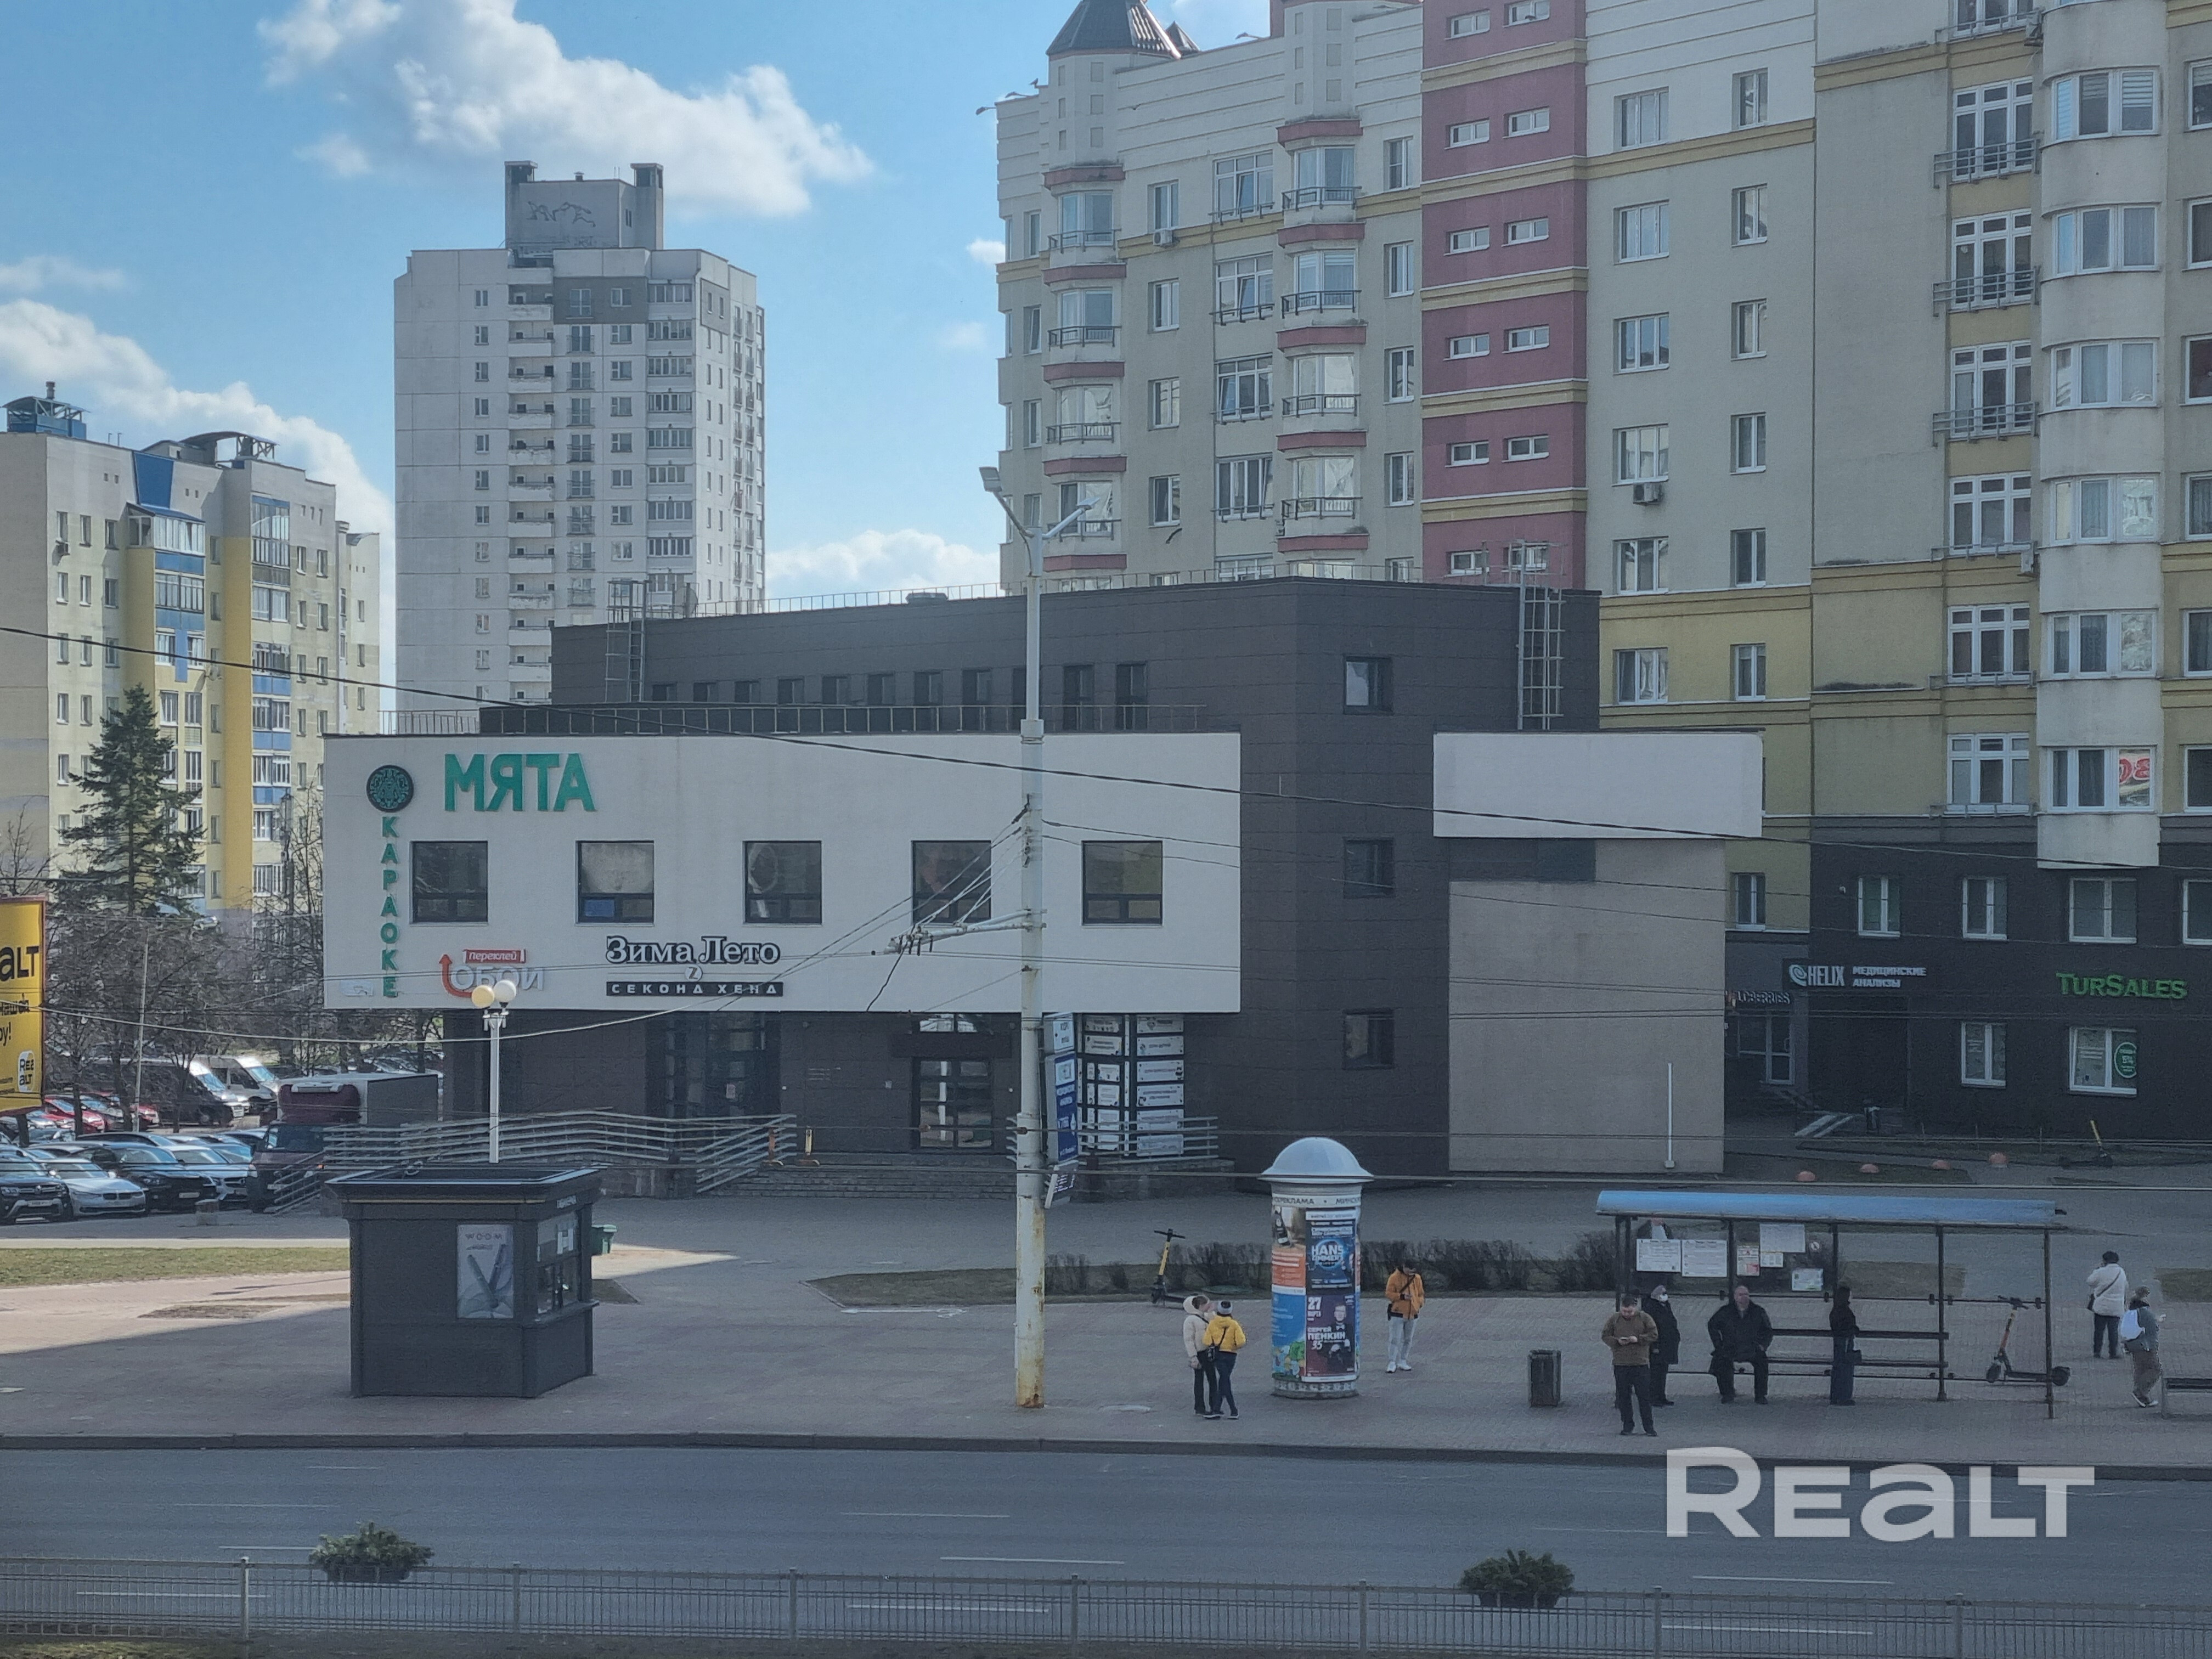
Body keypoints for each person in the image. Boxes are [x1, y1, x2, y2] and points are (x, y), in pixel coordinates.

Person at [1601, 1291, 1660, 1436]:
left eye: (1630, 1312)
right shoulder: (1614, 1319)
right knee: (1624, 1397)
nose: (1627, 1314)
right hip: (1621, 1364)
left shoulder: (1645, 1318)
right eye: (1625, 1311)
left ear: (1636, 1308)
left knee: (1644, 1397)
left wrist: (1639, 1339)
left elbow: (1654, 1334)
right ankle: (1628, 1425)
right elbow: (1605, 1336)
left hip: (1640, 1364)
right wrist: (1616, 1342)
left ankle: (1649, 1427)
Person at [1707, 1283, 1774, 1403]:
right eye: (1741, 1295)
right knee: (1721, 1360)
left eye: (1746, 1294)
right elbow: (1712, 1325)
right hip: (1730, 1347)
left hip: (1752, 1347)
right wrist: (1719, 1345)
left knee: (1762, 1362)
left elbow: (1768, 1331)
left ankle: (1761, 1395)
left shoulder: (1758, 1311)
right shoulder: (1726, 1311)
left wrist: (1763, 1346)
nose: (1744, 1297)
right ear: (1735, 1297)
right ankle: (1727, 1394)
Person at [1202, 1299, 1248, 1419]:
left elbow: (1206, 1341)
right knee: (1225, 1380)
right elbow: (1241, 1342)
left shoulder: (1213, 1324)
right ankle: (1226, 1410)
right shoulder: (1234, 1324)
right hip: (1231, 1355)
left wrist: (1215, 1343)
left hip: (1219, 1355)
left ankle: (1225, 1410)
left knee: (1224, 1380)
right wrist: (1233, 1346)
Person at [2123, 1288, 2162, 1407]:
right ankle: (2140, 1391)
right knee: (2155, 1369)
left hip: (2134, 1345)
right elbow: (2152, 1329)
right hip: (2145, 1346)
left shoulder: (2133, 1311)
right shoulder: (2145, 1313)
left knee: (2141, 1369)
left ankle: (2143, 1397)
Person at [1384, 1259, 1426, 1373]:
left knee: (1408, 1339)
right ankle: (1392, 1362)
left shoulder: (1417, 1278)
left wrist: (1419, 1303)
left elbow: (1421, 1294)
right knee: (1395, 1339)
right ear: (1404, 1267)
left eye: (1413, 1272)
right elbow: (1389, 1293)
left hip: (1413, 1313)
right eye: (1410, 1271)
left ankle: (1403, 1360)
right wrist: (1402, 1297)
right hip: (1397, 1313)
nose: (1411, 1274)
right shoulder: (1394, 1277)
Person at [1646, 1282, 1681, 1405]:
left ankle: (1661, 1396)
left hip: (1667, 1344)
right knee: (1656, 1372)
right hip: (1657, 1345)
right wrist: (1654, 1345)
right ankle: (1654, 1397)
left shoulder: (1666, 1306)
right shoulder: (1651, 1308)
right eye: (1662, 1294)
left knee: (1663, 1372)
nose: (1665, 1296)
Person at [2088, 1251, 2128, 1358]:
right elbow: (2126, 1287)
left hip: (2101, 1306)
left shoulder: (2101, 1272)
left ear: (2104, 1260)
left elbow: (2090, 1282)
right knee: (2113, 1331)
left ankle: (2097, 1352)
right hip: (2116, 1307)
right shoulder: (2121, 1272)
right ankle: (2113, 1353)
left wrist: (2097, 1270)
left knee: (2099, 1331)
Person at [1180, 1294, 1215, 1416]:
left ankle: (1214, 1406)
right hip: (1199, 1353)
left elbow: (1215, 1324)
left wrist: (1211, 1313)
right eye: (1205, 1304)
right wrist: (1193, 1357)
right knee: (1199, 1381)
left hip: (1209, 1351)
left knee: (1213, 1379)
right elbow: (1189, 1340)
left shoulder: (1207, 1316)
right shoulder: (1190, 1320)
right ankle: (1200, 1407)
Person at [1828, 1284, 1860, 1406]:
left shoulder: (1836, 1310)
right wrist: (1853, 1330)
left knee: (1839, 1368)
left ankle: (1836, 1396)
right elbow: (1844, 1326)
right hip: (1845, 1340)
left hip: (1840, 1341)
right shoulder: (1844, 1310)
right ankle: (1844, 1396)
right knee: (1845, 1368)